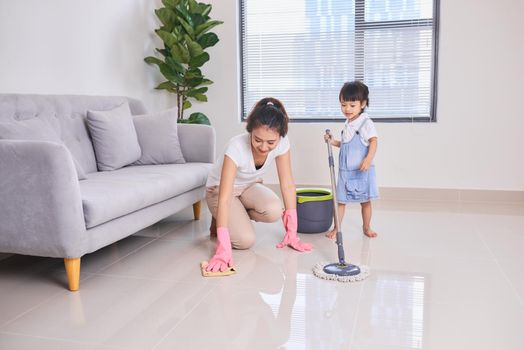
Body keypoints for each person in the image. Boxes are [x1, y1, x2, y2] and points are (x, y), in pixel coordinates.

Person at [205, 97, 313, 273]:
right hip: (219, 191)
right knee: (245, 240)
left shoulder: (283, 142)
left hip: (248, 186)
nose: (263, 147)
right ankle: (225, 217)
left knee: (274, 210)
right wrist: (223, 248)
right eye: (257, 140)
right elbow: (224, 198)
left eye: (271, 142)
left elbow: (287, 184)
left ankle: (234, 214)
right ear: (250, 132)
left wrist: (292, 231)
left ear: (280, 137)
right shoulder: (236, 147)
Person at [324, 81, 379, 238]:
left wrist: (368, 159)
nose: (347, 109)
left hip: (361, 170)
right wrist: (332, 141)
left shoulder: (366, 123)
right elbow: (346, 145)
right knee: (340, 201)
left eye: (352, 105)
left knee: (365, 201)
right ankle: (337, 228)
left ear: (363, 104)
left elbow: (374, 141)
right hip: (345, 171)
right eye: (343, 104)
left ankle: (366, 227)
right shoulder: (348, 123)